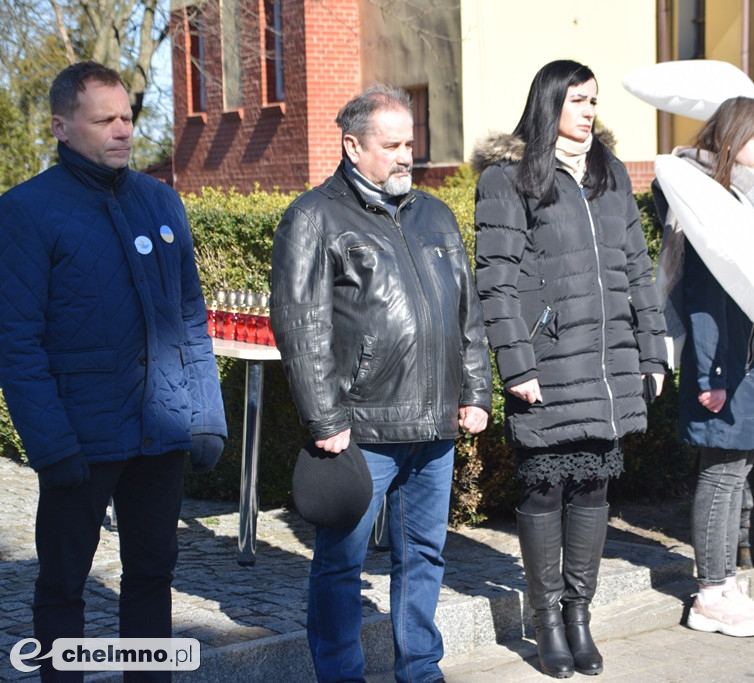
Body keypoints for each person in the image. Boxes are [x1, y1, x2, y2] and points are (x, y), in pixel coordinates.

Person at [0, 61, 227, 682]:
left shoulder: (160, 201)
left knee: (153, 574)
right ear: (62, 127)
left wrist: (205, 417)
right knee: (63, 584)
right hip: (81, 440)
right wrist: (51, 446)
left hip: (159, 435)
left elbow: (189, 319)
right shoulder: (25, 211)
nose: (122, 130)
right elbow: (17, 343)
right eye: (105, 120)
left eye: (127, 116)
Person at [270, 84, 492, 683]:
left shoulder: (436, 214)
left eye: (410, 144)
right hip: (361, 429)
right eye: (391, 144)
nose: (405, 156)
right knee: (340, 566)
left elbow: (465, 312)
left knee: (424, 555)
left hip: (438, 423)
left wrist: (476, 392)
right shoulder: (313, 216)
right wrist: (324, 421)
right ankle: (341, 675)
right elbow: (301, 325)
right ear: (352, 145)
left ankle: (421, 670)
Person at [472, 59, 667, 677]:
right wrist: (516, 364)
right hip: (549, 364)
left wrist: (654, 351)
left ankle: (580, 616)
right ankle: (546, 621)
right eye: (579, 100)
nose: (589, 110)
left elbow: (639, 270)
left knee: (593, 486)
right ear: (550, 102)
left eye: (594, 100)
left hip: (609, 365)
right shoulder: (509, 179)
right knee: (544, 485)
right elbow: (495, 285)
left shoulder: (609, 175)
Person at [652, 96, 754, 637]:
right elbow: (702, 296)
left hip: (751, 356)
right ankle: (709, 591)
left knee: (738, 474)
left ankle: (725, 580)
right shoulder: (704, 199)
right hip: (726, 362)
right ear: (732, 140)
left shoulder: (744, 198)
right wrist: (711, 374)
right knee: (722, 474)